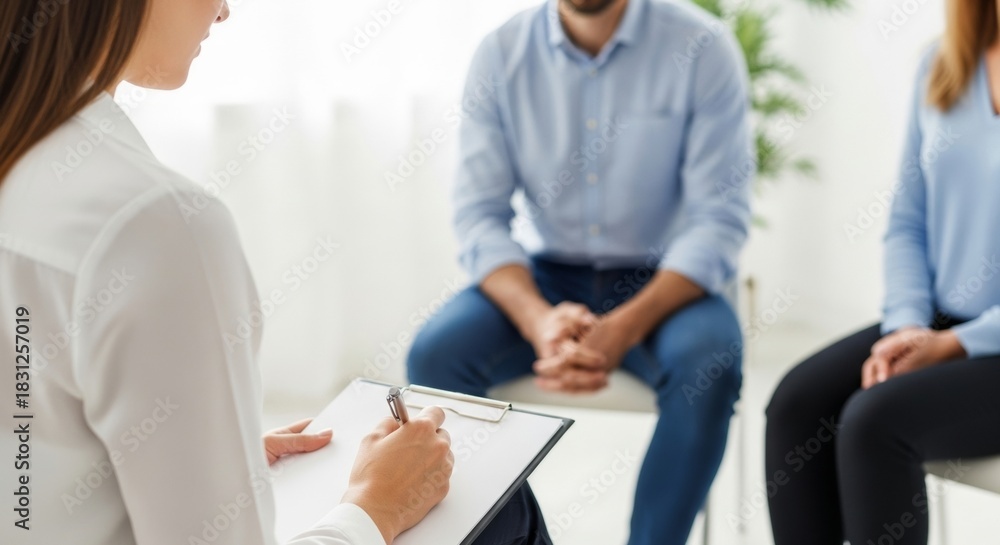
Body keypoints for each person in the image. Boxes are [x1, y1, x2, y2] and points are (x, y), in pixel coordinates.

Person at [0, 1, 547, 544]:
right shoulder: (155, 223)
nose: (224, 11)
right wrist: (375, 509)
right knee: (501, 507)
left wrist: (203, 462)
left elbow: (35, 459)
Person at [406, 0, 753, 543]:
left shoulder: (703, 47)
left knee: (710, 366)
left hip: (664, 283)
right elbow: (479, 216)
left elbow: (719, 221)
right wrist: (538, 320)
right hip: (545, 277)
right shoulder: (500, 52)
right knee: (435, 358)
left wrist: (624, 327)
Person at [765, 1, 1000, 543]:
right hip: (938, 322)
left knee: (875, 423)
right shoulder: (943, 65)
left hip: (976, 343)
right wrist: (907, 328)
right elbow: (908, 223)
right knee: (797, 407)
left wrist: (957, 345)